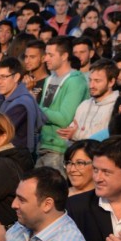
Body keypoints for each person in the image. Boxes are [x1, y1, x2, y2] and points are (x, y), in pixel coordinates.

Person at [35, 37, 89, 173]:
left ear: (64, 56)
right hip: (43, 144)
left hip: (59, 149)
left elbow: (64, 118)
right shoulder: (49, 79)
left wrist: (35, 107)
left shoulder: (75, 81)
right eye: (46, 54)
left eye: (50, 55)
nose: (45, 59)